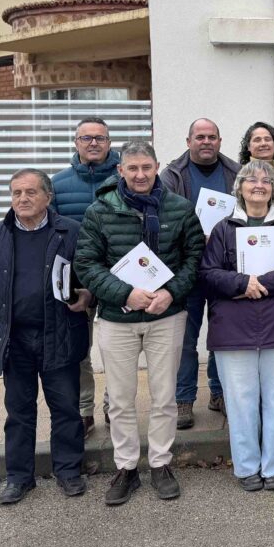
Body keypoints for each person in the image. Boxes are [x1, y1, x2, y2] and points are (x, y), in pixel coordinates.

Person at [74, 141, 205, 505]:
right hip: (118, 318)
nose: (140, 175)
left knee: (164, 396)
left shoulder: (179, 209)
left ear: (157, 166)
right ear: (120, 171)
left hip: (167, 315)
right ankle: (127, 467)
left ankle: (161, 463)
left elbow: (195, 258)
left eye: (146, 167)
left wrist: (171, 292)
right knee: (120, 398)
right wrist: (124, 294)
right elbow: (87, 263)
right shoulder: (100, 211)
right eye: (132, 168)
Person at [0, 169, 92, 504]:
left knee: (66, 409)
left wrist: (89, 296)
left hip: (60, 335)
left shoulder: (72, 232)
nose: (22, 199)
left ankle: (68, 471)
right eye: (16, 193)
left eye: (30, 192)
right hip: (13, 340)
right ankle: (19, 477)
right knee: (19, 411)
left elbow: (90, 277)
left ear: (48, 197)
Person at [200, 161, 274, 491]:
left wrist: (256, 283)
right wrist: (240, 283)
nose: (258, 184)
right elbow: (208, 273)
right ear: (240, 187)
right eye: (251, 179)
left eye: (266, 180)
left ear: (273, 189)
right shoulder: (223, 228)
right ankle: (247, 467)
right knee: (240, 400)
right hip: (234, 329)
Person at [161, 118, 240, 427]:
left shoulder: (235, 172)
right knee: (185, 338)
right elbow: (164, 219)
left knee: (223, 335)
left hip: (224, 267)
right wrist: (195, 235)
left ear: (220, 141)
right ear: (188, 141)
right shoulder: (171, 175)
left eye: (212, 137)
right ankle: (183, 400)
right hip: (187, 268)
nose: (206, 142)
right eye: (200, 137)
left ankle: (219, 393)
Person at [50, 117, 120, 437]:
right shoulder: (58, 183)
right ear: (76, 143)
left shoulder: (127, 179)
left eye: (100, 138)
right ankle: (83, 410)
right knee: (78, 351)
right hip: (75, 280)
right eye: (86, 138)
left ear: (109, 143)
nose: (93, 143)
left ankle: (114, 407)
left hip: (119, 278)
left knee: (118, 349)